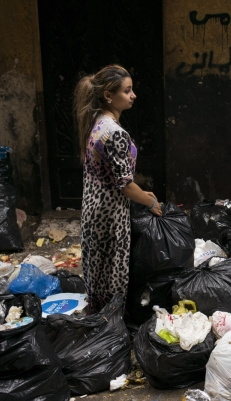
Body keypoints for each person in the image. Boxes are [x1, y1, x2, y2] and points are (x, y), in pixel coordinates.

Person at [74, 64, 162, 313]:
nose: (133, 95)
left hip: (93, 209)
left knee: (97, 271)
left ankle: (100, 322)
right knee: (114, 274)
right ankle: (111, 326)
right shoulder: (115, 133)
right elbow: (124, 185)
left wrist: (143, 193)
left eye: (132, 89)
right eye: (127, 90)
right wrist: (151, 203)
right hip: (110, 214)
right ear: (108, 96)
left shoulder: (96, 123)